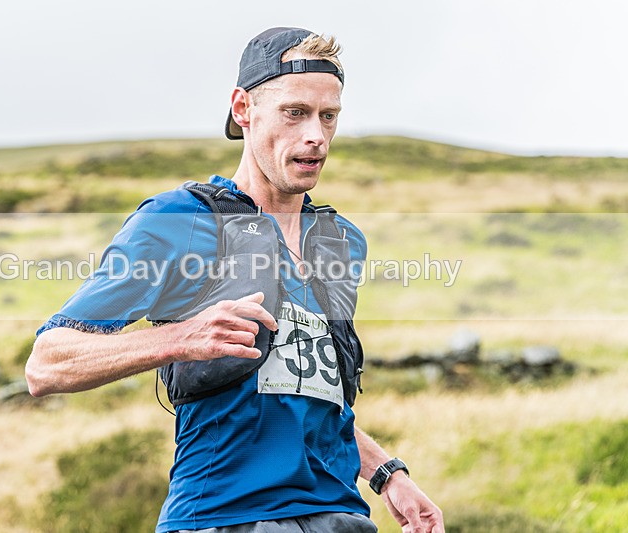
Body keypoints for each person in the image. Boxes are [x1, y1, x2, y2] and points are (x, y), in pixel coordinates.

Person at [26, 27, 444, 533]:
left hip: (342, 517)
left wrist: (385, 473)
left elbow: (303, 395)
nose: (315, 134)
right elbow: (47, 364)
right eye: (295, 113)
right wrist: (177, 338)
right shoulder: (178, 220)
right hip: (223, 516)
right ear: (243, 110)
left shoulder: (340, 241)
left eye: (327, 116)